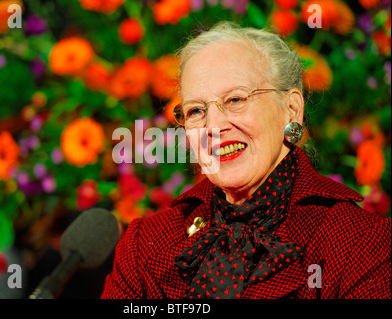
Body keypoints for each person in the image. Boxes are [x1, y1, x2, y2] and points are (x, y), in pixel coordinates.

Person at [101, 22, 391, 299]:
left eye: (235, 100)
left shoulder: (359, 243)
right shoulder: (146, 245)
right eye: (195, 111)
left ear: (291, 109)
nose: (213, 126)